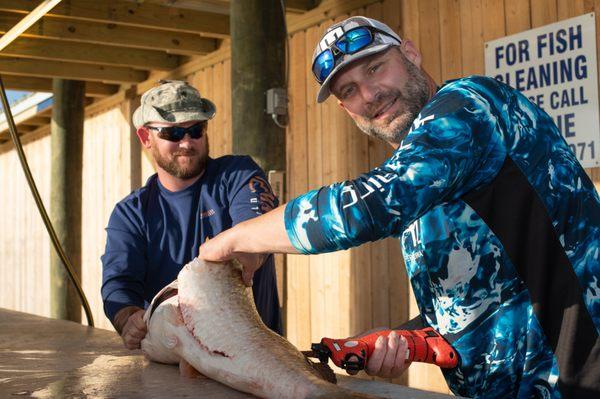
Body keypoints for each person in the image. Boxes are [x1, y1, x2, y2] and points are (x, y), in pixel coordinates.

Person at [199, 16, 600, 399]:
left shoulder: (470, 105)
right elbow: (481, 304)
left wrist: (237, 238)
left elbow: (371, 205)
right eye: (349, 91)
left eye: (375, 68)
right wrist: (409, 341)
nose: (370, 95)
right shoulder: (415, 193)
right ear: (344, 110)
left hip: (582, 378)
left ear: (411, 53)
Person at [101, 80, 282, 350]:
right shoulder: (130, 214)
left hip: (256, 353)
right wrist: (128, 318)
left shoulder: (238, 175)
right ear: (145, 137)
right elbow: (119, 285)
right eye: (172, 133)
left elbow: (257, 234)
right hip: (173, 363)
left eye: (196, 129)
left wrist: (245, 257)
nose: (186, 142)